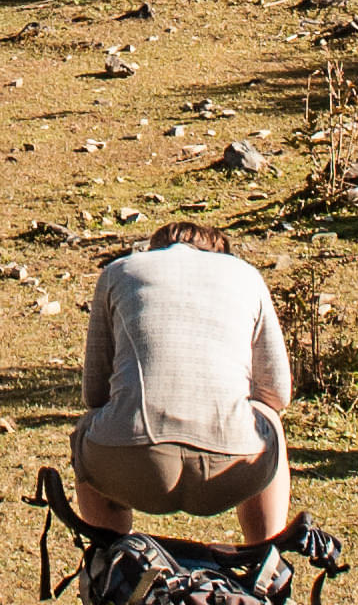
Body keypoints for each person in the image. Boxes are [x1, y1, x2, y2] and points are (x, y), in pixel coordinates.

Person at [66, 220, 294, 544]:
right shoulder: (245, 274)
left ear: (154, 249)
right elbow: (277, 393)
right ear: (219, 252)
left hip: (131, 464)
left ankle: (110, 558)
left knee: (90, 424)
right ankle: (265, 559)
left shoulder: (120, 272)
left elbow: (94, 393)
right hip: (233, 468)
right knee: (269, 418)